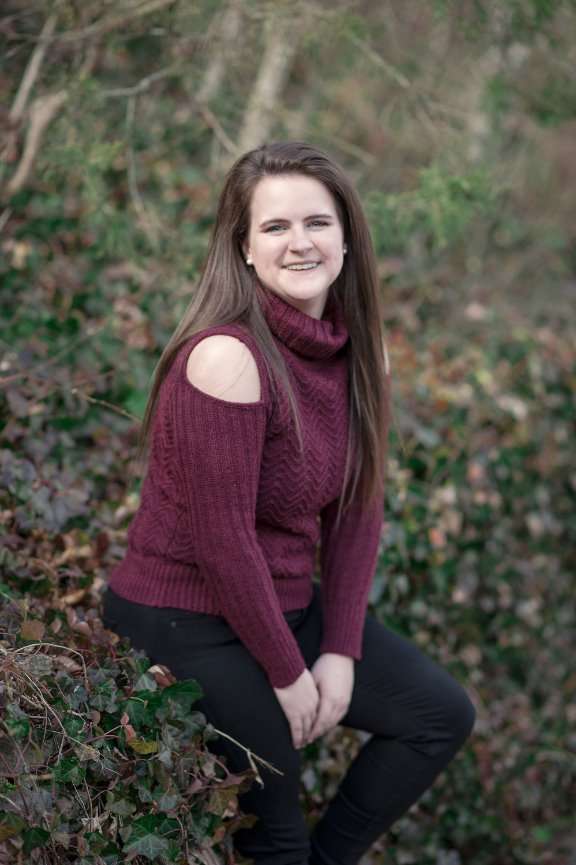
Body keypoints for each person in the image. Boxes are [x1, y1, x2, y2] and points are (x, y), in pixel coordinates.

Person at [101, 140, 476, 865]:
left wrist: (339, 649)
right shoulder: (227, 358)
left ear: (346, 237)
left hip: (280, 604)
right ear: (243, 247)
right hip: (188, 619)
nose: (299, 242)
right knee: (274, 839)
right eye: (275, 227)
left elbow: (358, 511)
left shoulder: (359, 352)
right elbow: (223, 542)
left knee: (439, 714)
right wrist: (286, 670)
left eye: (318, 222)